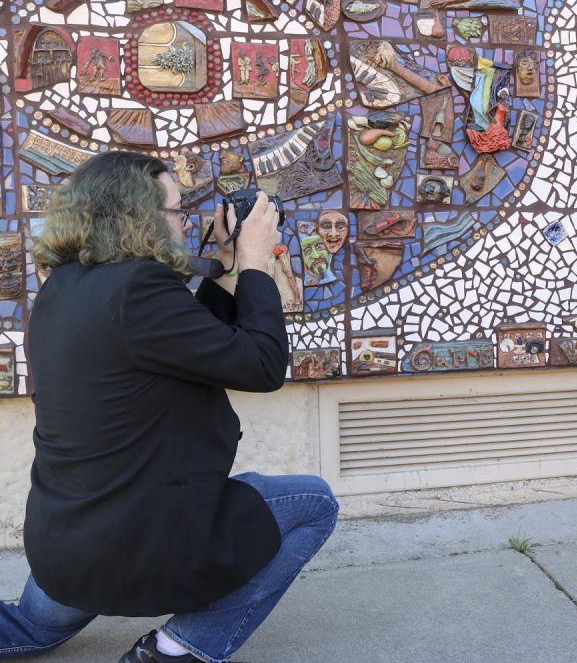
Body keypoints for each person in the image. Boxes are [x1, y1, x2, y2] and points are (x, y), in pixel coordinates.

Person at [0, 151, 339, 662]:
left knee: (31, 621)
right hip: (135, 549)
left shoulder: (63, 287)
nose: (183, 221)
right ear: (141, 216)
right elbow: (262, 366)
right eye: (177, 210)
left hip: (63, 549)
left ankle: (27, 622)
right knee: (314, 503)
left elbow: (191, 346)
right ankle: (176, 649)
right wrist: (255, 264)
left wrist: (223, 265)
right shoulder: (139, 289)